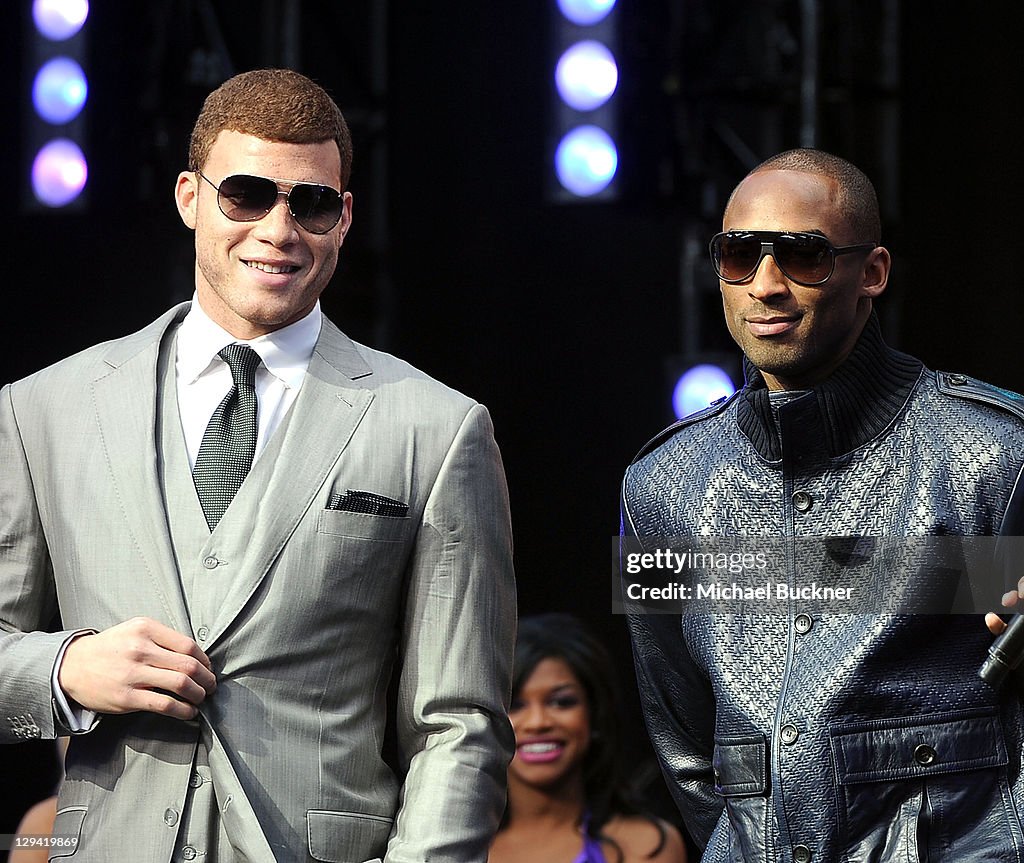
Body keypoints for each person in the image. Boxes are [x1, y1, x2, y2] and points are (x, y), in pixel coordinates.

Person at [0, 68, 516, 863]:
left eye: (308, 203)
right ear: (189, 197)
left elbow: (458, 721)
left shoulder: (436, 427)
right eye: (245, 194)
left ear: (343, 218)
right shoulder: (46, 408)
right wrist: (65, 669)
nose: (278, 229)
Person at [621, 148, 1024, 862]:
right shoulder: (661, 485)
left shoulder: (996, 454)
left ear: (872, 272)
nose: (765, 285)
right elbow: (685, 745)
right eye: (739, 255)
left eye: (803, 257)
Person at [489, 614, 687, 863]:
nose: (537, 722)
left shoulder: (646, 845)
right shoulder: (454, 846)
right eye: (515, 705)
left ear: (594, 714)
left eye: (562, 702)